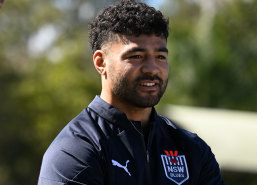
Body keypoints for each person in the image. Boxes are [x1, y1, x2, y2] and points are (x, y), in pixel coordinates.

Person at [38, 0, 225, 184]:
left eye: (160, 57)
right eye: (136, 56)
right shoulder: (75, 150)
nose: (152, 69)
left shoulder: (192, 149)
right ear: (101, 63)